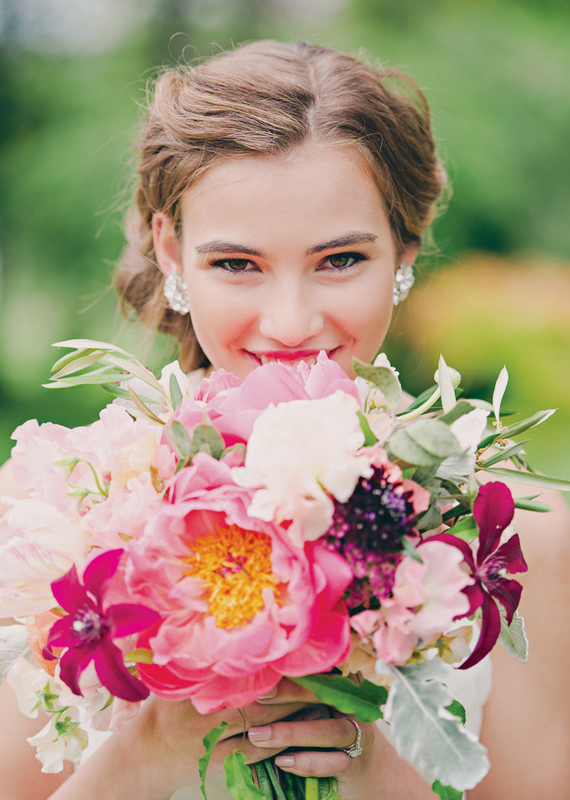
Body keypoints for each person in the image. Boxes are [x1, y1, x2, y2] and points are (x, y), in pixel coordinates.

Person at [0, 40, 568, 800]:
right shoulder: (54, 526)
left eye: (339, 260)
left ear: (405, 245)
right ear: (171, 250)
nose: (293, 323)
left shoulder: (522, 541)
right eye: (238, 265)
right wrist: (145, 758)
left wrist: (382, 777)